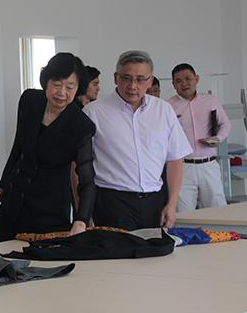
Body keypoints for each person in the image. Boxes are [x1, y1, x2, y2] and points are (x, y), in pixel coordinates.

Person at [0, 52, 96, 242]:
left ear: (78, 89)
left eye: (70, 87)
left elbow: (87, 178)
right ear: (46, 81)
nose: (62, 92)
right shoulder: (30, 100)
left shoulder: (81, 126)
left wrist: (81, 219)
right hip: (16, 197)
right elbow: (18, 144)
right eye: (56, 84)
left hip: (49, 207)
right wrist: (4, 182)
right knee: (1, 253)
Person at [83, 50, 191, 230]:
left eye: (140, 79)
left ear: (150, 80)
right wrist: (83, 214)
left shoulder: (163, 110)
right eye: (126, 78)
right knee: (118, 248)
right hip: (112, 202)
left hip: (154, 201)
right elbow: (79, 166)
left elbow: (175, 159)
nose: (133, 85)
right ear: (116, 78)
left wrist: (172, 204)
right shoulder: (94, 112)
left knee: (155, 248)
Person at [168, 63, 231, 211]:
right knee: (183, 211)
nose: (184, 83)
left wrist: (218, 138)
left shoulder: (211, 101)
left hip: (208, 164)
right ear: (173, 85)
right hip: (182, 166)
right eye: (178, 81)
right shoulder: (168, 106)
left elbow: (225, 124)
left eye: (187, 78)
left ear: (196, 79)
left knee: (217, 209)